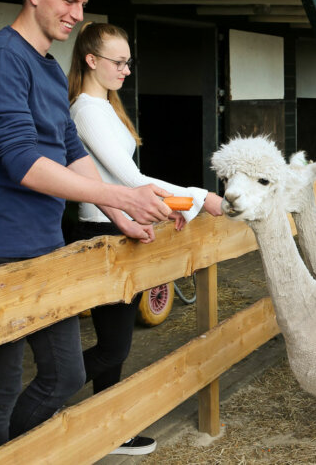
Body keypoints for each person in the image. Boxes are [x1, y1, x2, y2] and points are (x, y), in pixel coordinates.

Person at [0, 0, 175, 458]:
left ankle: (16, 454)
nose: (77, 15)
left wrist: (121, 216)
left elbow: (71, 151)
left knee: (66, 372)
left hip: (45, 245)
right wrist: (121, 193)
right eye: (70, 0)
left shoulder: (49, 68)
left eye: (82, 3)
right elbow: (21, 162)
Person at [65, 22, 225, 455]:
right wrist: (195, 197)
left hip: (120, 225)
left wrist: (172, 206)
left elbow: (129, 183)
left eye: (128, 62)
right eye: (118, 62)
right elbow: (128, 179)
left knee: (116, 344)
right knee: (113, 344)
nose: (126, 70)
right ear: (90, 59)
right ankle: (44, 407)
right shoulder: (85, 109)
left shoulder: (106, 107)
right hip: (102, 230)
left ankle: (110, 429)